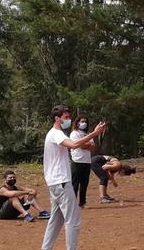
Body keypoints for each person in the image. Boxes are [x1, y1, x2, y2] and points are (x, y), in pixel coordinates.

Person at [41, 105, 105, 250]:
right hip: (61, 181)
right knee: (73, 220)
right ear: (57, 119)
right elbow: (74, 145)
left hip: (55, 183)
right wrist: (94, 133)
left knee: (56, 220)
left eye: (69, 117)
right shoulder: (56, 134)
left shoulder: (54, 134)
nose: (69, 120)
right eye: (66, 118)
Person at [69, 115, 95, 208]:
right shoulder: (74, 133)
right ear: (77, 122)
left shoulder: (87, 134)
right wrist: (86, 144)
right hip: (77, 161)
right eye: (82, 121)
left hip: (87, 161)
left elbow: (93, 146)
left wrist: (85, 144)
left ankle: (82, 202)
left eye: (85, 122)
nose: (84, 123)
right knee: (75, 184)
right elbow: (81, 146)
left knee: (84, 184)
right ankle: (73, 203)